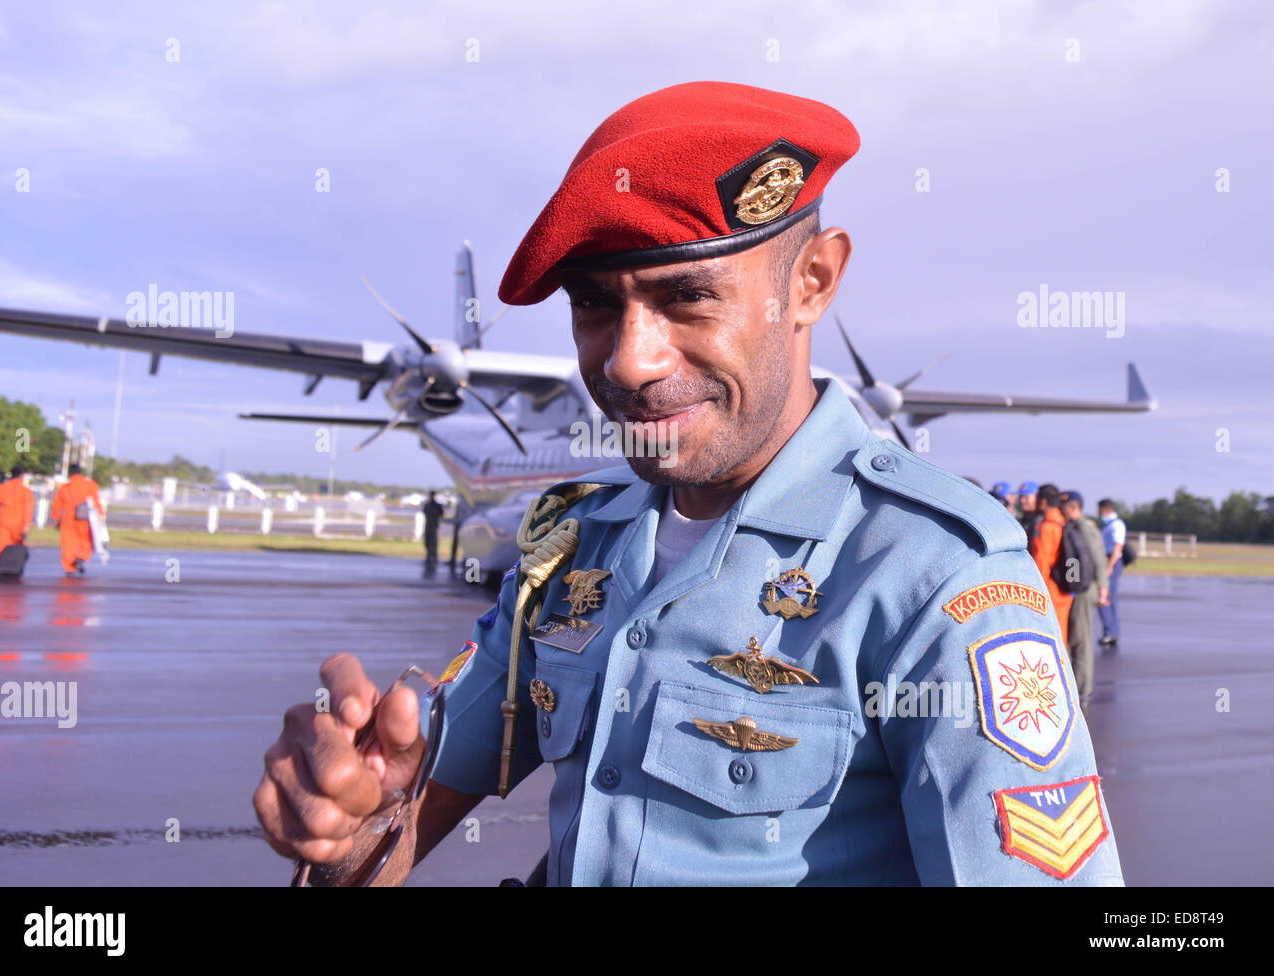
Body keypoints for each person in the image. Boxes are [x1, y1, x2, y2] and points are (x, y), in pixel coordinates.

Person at [254, 82, 1121, 886]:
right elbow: (397, 826)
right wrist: (351, 826)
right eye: (595, 305)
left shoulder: (940, 576)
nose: (629, 361)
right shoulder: (571, 546)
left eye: (688, 298)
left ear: (812, 281)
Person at [1060, 491, 1109, 699]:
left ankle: (1082, 689)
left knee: (1081, 639)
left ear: (1073, 507)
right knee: (1075, 637)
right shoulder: (1073, 526)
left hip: (1085, 588)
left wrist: (1103, 588)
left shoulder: (1084, 528)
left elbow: (1098, 558)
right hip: (1078, 586)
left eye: (1063, 506)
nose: (1060, 510)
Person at [1028, 484, 1073, 649]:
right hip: (1063, 589)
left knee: (1052, 637)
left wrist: (1036, 589)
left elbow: (1042, 561)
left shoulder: (1047, 527)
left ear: (1044, 501)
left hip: (1050, 588)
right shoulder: (1062, 522)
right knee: (1061, 633)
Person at [51, 463, 104, 575]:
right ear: (80, 472)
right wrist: (101, 515)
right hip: (84, 519)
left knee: (67, 545)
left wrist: (56, 518)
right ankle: (81, 557)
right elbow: (96, 502)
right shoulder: (90, 485)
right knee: (87, 542)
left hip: (68, 520)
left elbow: (57, 504)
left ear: (70, 474)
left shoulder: (65, 488)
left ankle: (69, 568)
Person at [0, 465, 35, 573]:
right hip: (18, 522)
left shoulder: (2, 488)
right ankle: (15, 566)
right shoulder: (25, 491)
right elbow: (28, 509)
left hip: (3, 520)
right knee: (18, 546)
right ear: (22, 476)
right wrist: (27, 525)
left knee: (0, 544)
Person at [1097, 498, 1127, 648]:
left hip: (1111, 561)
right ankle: (1111, 632)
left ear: (1104, 509)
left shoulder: (1116, 525)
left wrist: (1110, 565)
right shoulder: (1107, 524)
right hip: (1107, 560)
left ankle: (1110, 632)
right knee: (1109, 597)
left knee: (1105, 596)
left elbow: (1118, 546)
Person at [421, 491, 444, 571]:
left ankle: (433, 557)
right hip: (428, 526)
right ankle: (428, 557)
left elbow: (441, 513)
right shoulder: (427, 505)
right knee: (427, 542)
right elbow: (424, 513)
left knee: (433, 543)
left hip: (434, 526)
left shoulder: (437, 506)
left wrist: (436, 514)